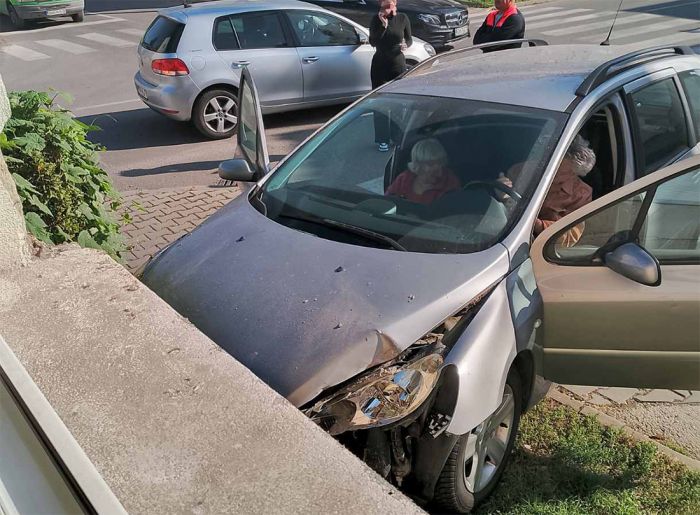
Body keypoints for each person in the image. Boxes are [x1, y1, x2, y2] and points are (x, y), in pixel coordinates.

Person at [369, 0, 412, 152]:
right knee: (380, 103)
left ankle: (397, 136)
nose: (387, 9)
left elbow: (409, 38)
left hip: (397, 64)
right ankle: (382, 139)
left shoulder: (403, 18)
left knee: (398, 103)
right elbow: (373, 42)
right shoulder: (376, 20)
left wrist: (406, 44)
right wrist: (383, 25)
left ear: (395, 5)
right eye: (384, 7)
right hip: (380, 65)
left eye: (390, 6)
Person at [386, 139, 461, 205]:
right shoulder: (404, 179)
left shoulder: (450, 183)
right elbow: (386, 203)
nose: (437, 168)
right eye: (431, 164)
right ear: (418, 165)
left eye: (440, 162)